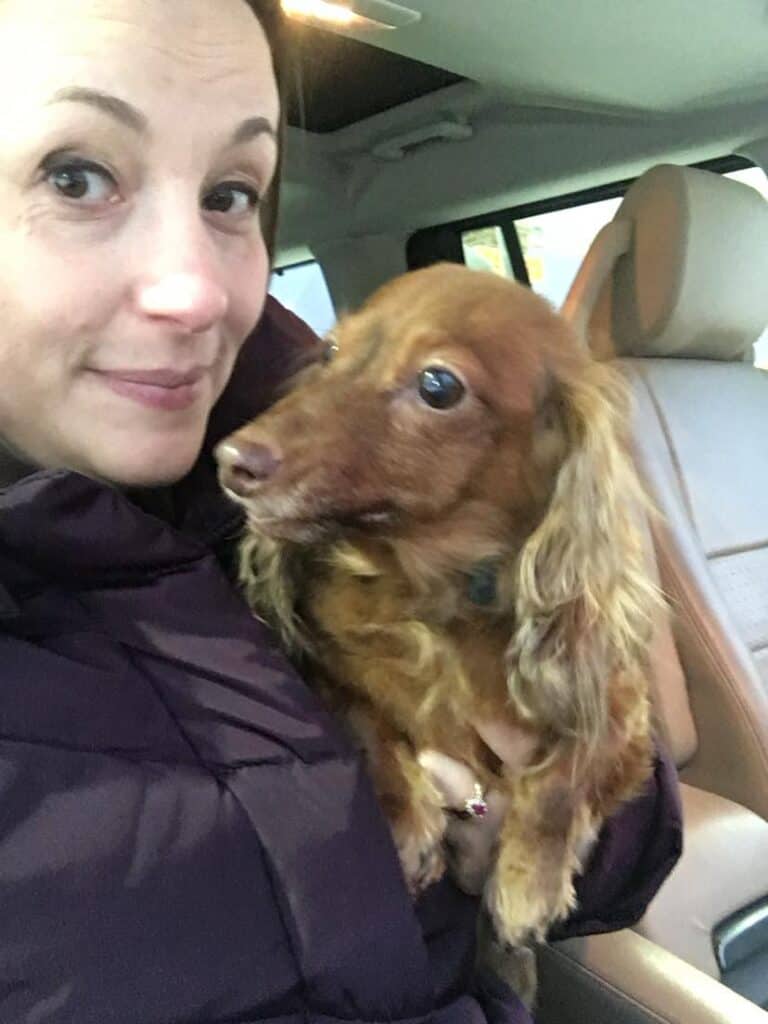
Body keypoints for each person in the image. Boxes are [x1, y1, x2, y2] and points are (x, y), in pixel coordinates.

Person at [0, 1, 682, 1021]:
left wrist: (531, 814)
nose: (198, 293)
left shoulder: (291, 434)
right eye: (76, 177)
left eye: (233, 192)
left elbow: (625, 826)